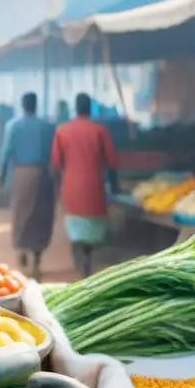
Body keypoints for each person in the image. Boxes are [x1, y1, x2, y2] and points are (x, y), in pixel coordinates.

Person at [51, 93, 118, 277]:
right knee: (93, 227)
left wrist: (57, 189)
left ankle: (79, 257)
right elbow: (112, 161)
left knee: (75, 225)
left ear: (75, 107)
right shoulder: (99, 130)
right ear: (89, 108)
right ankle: (88, 257)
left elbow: (55, 163)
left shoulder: (61, 131)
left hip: (71, 188)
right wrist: (115, 186)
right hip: (94, 187)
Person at [0, 92, 55, 279]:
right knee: (41, 214)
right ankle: (37, 260)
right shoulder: (48, 127)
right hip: (43, 173)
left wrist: (1, 175)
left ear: (22, 105)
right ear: (36, 105)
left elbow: (5, 152)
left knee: (21, 211)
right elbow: (55, 155)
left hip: (20, 173)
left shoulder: (13, 126)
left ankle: (21, 248)